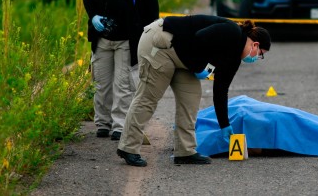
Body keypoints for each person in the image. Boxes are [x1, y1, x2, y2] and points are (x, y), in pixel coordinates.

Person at [116, 15, 271, 167]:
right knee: (148, 97)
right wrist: (200, 67)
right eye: (260, 54)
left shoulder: (234, 59)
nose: (257, 58)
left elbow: (221, 89)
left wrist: (224, 125)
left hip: (183, 55)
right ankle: (128, 147)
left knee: (191, 96)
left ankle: (185, 151)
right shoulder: (232, 32)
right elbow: (199, 37)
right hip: (161, 43)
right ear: (255, 45)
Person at [83, 0, 160, 141]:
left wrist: (148, 44)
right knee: (101, 84)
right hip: (103, 39)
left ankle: (119, 126)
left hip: (128, 41)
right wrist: (93, 17)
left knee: (124, 85)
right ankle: (102, 123)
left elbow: (153, 16)